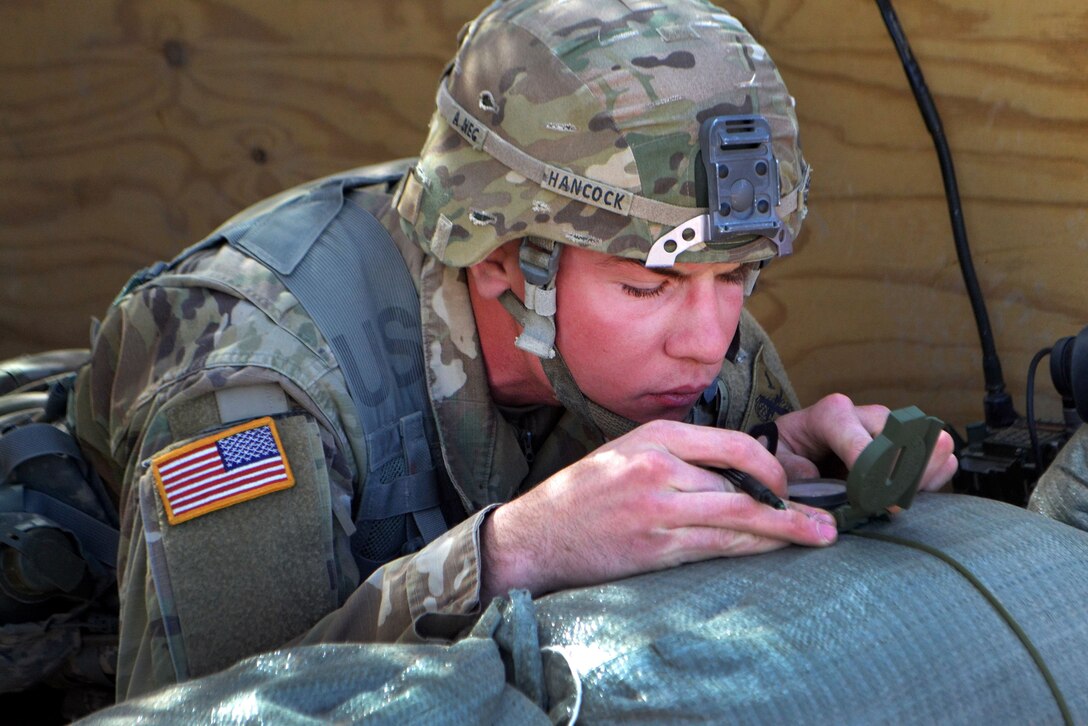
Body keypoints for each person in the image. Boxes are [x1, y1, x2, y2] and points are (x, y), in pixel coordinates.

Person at [70, 0, 957, 700]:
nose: (709, 340)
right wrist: (508, 554)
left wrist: (783, 467)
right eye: (646, 287)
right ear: (501, 259)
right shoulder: (255, 383)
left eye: (741, 277)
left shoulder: (692, 319)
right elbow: (202, 706)